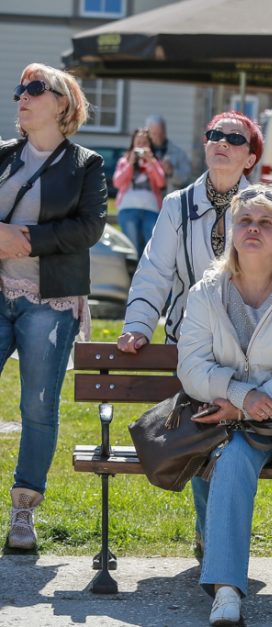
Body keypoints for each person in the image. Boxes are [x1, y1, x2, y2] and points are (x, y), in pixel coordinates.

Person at [176, 184, 272, 626]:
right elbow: (191, 367)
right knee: (229, 464)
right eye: (245, 221)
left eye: (266, 223)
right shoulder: (207, 292)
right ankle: (226, 588)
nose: (253, 229)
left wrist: (251, 402)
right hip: (233, 424)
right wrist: (245, 399)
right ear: (230, 228)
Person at [118, 110, 264, 554]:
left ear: (250, 157)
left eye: (233, 138)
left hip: (252, 344)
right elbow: (154, 272)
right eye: (214, 135)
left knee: (243, 441)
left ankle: (223, 529)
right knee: (205, 433)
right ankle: (213, 533)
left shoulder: (266, 207)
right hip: (192, 344)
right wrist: (139, 326)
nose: (221, 142)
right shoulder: (176, 205)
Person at [0, 63, 107, 550]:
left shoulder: (85, 164)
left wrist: (26, 240)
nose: (22, 96)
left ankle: (24, 512)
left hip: (50, 300)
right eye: (21, 89)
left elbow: (89, 230)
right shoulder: (2, 156)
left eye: (35, 89)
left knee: (38, 407)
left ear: (62, 103)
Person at [113, 127, 166, 255]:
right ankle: (133, 274)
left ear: (150, 145)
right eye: (138, 142)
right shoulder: (124, 161)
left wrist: (151, 162)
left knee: (152, 249)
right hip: (128, 209)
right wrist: (130, 163)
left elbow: (161, 182)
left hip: (151, 210)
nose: (141, 145)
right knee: (133, 249)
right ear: (133, 144)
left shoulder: (154, 161)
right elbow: (117, 182)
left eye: (144, 143)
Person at [145, 113, 193, 195]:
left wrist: (172, 172)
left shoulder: (179, 153)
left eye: (161, 133)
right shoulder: (143, 153)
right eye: (154, 134)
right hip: (148, 202)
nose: (158, 137)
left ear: (165, 132)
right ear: (147, 133)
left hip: (170, 202)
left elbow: (187, 179)